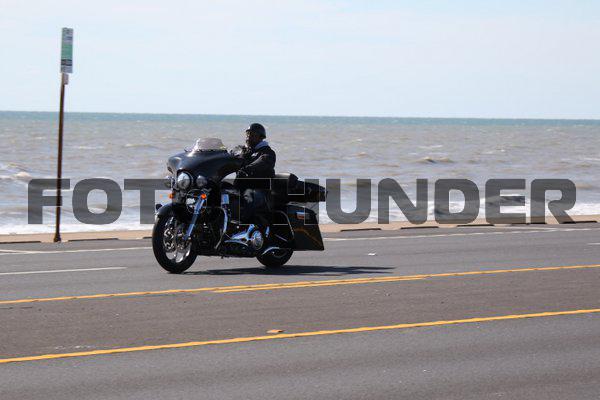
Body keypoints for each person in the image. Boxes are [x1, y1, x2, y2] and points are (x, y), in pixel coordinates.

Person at [232, 123, 276, 226]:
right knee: (222, 189)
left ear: (261, 137)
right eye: (248, 133)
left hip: (260, 189)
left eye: (253, 134)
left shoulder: (267, 152)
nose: (249, 136)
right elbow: (225, 157)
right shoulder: (241, 150)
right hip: (240, 187)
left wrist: (248, 168)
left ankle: (245, 225)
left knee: (249, 195)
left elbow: (263, 161)